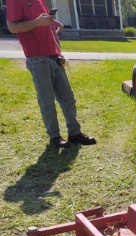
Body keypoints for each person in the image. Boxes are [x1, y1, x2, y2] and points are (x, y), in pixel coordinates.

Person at [6, 0, 96, 148]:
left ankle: (74, 133)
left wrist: (50, 24)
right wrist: (37, 22)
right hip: (37, 58)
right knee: (47, 100)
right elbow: (12, 27)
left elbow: (43, 25)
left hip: (54, 56)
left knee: (68, 98)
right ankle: (54, 137)